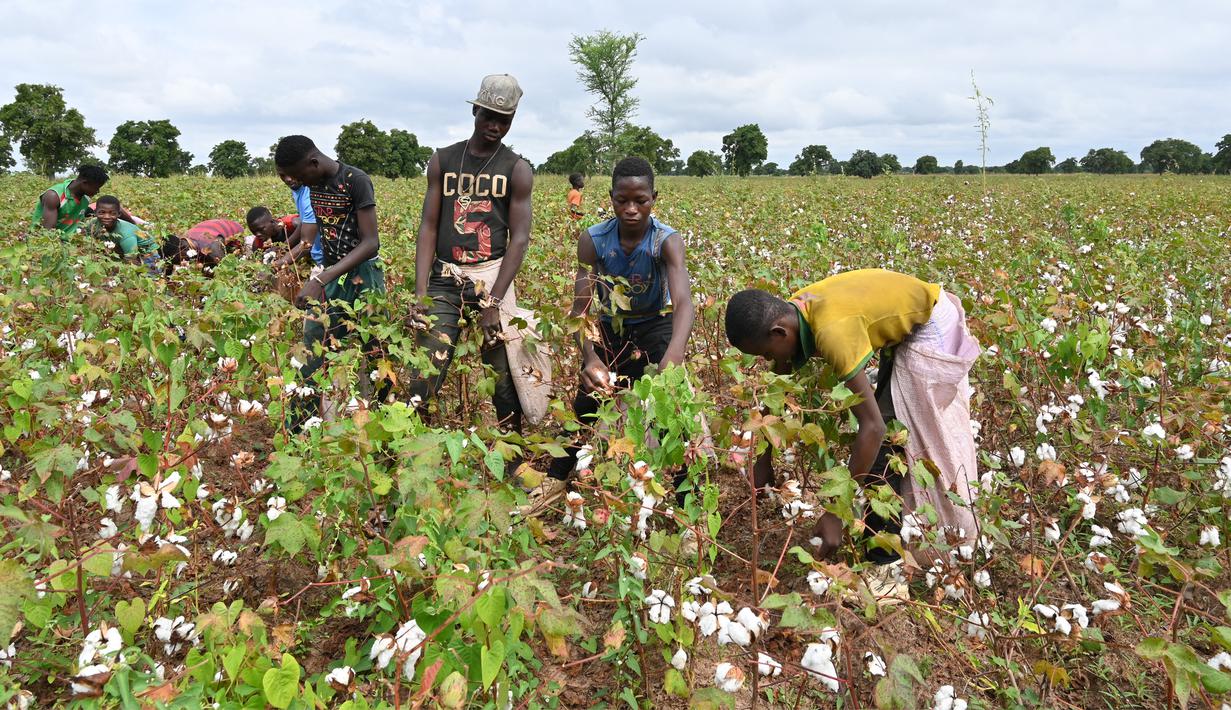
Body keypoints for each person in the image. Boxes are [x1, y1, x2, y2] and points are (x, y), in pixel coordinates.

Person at [724, 269, 982, 605]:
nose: (771, 361)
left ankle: (887, 574)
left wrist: (836, 512)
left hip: (930, 327)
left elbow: (872, 427)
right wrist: (763, 458)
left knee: (889, 443)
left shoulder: (833, 333)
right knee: (890, 430)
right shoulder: (794, 312)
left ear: (779, 332)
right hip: (915, 317)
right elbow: (780, 385)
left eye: (768, 354)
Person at [528, 157, 695, 512]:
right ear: (610, 197)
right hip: (610, 327)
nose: (631, 209)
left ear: (654, 199)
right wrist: (590, 357)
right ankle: (556, 482)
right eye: (622, 200)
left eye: (641, 201)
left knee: (667, 412)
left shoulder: (666, 241)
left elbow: (683, 303)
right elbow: (581, 309)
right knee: (586, 405)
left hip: (654, 325)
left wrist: (672, 359)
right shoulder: (594, 240)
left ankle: (688, 503)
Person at [409, 74, 534, 433]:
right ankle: (417, 451)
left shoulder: (517, 169)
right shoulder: (443, 160)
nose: (495, 126)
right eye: (489, 116)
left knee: (502, 376)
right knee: (426, 371)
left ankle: (512, 455)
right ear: (475, 110)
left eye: (504, 120)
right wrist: (421, 294)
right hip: (445, 278)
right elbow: (429, 227)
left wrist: (494, 302)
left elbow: (519, 239)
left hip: (491, 277)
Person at [274, 135, 387, 430]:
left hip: (364, 275)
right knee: (312, 344)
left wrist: (321, 279)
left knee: (373, 350)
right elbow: (318, 235)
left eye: (298, 176)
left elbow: (371, 242)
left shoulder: (355, 181)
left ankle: (382, 421)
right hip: (333, 274)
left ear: (313, 163)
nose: (296, 182)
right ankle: (300, 427)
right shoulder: (313, 186)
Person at [78, 195, 160, 272]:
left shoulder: (125, 233)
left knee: (145, 279)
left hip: (147, 254)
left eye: (112, 213)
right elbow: (86, 242)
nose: (106, 217)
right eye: (102, 212)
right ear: (95, 212)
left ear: (119, 214)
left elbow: (131, 260)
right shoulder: (93, 224)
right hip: (120, 250)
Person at [32, 164, 109, 235]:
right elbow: (48, 233)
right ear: (85, 183)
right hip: (49, 242)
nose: (98, 191)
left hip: (71, 241)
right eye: (96, 188)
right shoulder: (54, 196)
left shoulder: (85, 197)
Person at [161, 218, 246, 269]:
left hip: (238, 234)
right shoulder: (185, 240)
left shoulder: (210, 247)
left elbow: (225, 271)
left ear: (182, 248)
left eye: (179, 260)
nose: (182, 262)